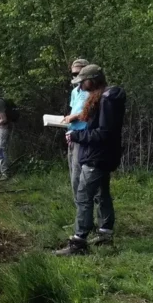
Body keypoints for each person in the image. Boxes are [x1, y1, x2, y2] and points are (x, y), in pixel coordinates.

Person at [56, 65, 126, 256]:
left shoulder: (106, 100)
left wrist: (77, 136)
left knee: (83, 196)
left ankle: (78, 242)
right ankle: (105, 233)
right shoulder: (99, 98)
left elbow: (104, 133)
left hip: (97, 156)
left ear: (92, 80)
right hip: (101, 154)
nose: (81, 85)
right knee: (102, 192)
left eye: (83, 81)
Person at [63, 59, 90, 202]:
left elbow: (93, 113)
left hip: (85, 136)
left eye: (78, 73)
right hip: (72, 135)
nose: (76, 77)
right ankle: (79, 215)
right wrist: (68, 120)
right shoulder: (75, 91)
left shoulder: (93, 92)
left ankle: (85, 219)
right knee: (73, 175)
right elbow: (74, 110)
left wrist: (76, 117)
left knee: (81, 177)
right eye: (73, 74)